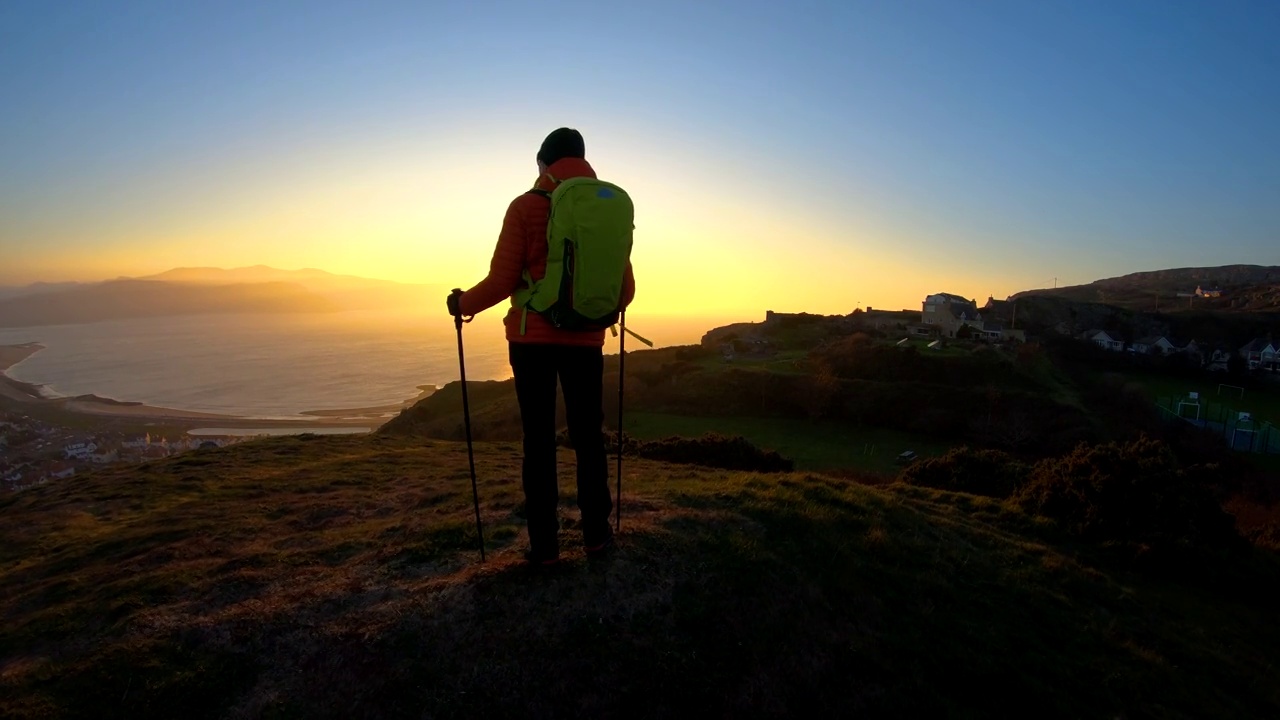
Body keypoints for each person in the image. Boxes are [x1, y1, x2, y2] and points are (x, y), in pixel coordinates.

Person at [447, 127, 636, 566]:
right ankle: (596, 538)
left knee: (539, 440)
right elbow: (624, 290)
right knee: (590, 437)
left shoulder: (526, 207)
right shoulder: (604, 210)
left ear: (542, 164)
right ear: (584, 162)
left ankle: (545, 549)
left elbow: (501, 281)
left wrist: (461, 304)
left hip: (533, 341)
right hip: (586, 341)